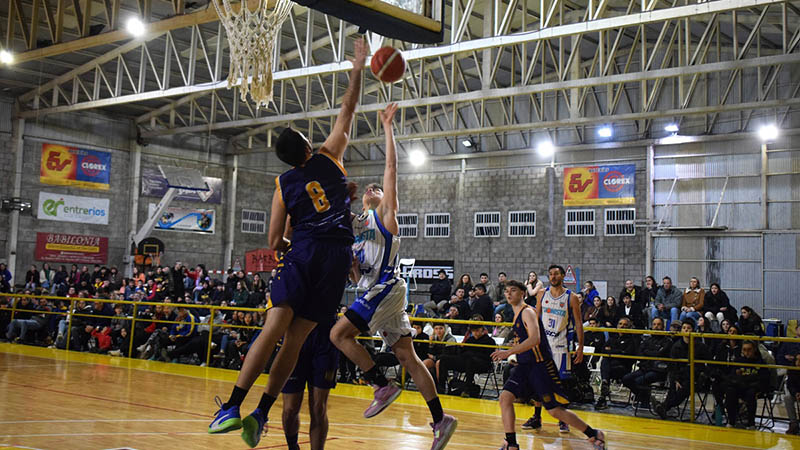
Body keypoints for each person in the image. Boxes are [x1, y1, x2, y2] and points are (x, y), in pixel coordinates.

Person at [208, 37, 367, 448]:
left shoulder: (282, 184)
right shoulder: (331, 158)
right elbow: (348, 109)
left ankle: (233, 406)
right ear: (308, 146)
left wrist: (292, 240)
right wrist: (357, 68)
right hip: (337, 258)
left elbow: (274, 239)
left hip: (305, 253)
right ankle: (262, 412)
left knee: (273, 328)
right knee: (294, 340)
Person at [328, 102, 457, 450]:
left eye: (379, 188)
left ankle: (381, 385)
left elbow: (390, 169)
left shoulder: (385, 217)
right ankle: (441, 419)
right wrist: (350, 267)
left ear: (386, 199)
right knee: (407, 357)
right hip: (375, 291)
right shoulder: (356, 229)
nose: (374, 187)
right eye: (369, 188)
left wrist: (387, 127)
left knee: (338, 334)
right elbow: (356, 273)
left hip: (387, 288)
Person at [492, 280, 606, 450]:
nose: (508, 293)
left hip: (540, 366)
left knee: (554, 411)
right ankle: (511, 443)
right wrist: (516, 353)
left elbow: (535, 339)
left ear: (522, 293)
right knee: (505, 398)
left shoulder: (527, 312)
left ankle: (594, 433)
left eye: (513, 290)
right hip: (525, 366)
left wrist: (509, 352)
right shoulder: (516, 314)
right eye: (507, 291)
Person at [523, 265, 584, 433]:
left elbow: (579, 323)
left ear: (563, 276)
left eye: (556, 274)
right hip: (543, 345)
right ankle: (537, 417)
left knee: (561, 385)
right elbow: (535, 319)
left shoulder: (571, 297)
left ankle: (563, 420)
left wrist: (580, 347)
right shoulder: (542, 294)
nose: (553, 277)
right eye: (550, 274)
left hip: (561, 346)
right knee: (538, 381)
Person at [281, 319, 339, 450]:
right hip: (295, 333)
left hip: (325, 338)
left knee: (318, 408)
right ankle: (292, 446)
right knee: (290, 409)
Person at [653, 319, 711, 419]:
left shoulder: (701, 347)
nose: (686, 330)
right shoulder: (676, 346)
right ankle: (663, 407)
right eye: (684, 328)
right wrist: (676, 379)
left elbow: (708, 363)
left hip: (695, 377)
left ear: (693, 330)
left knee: (685, 387)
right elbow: (673, 365)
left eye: (689, 328)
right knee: (673, 383)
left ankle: (663, 406)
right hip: (680, 375)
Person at [621, 317, 672, 407]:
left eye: (658, 324)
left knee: (639, 381)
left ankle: (644, 400)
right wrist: (653, 353)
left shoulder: (667, 341)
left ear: (663, 327)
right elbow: (640, 353)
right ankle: (645, 398)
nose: (656, 327)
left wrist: (647, 352)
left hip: (658, 371)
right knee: (626, 379)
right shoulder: (647, 340)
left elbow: (660, 354)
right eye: (654, 324)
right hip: (645, 368)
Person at [434, 322, 495, 396]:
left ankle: (467, 389)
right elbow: (462, 353)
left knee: (470, 361)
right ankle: (441, 388)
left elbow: (488, 357)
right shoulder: (470, 340)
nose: (475, 333)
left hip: (481, 364)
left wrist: (471, 355)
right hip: (466, 361)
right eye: (473, 331)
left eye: (477, 330)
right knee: (444, 359)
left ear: (482, 330)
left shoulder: (490, 341)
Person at [594, 317, 639, 409]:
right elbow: (604, 350)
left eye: (625, 325)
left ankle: (603, 395)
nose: (622, 326)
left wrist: (612, 351)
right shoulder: (613, 338)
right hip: (611, 367)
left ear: (629, 327)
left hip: (623, 367)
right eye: (620, 324)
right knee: (605, 361)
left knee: (606, 364)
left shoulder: (632, 340)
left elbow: (627, 353)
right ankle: (604, 386)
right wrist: (619, 351)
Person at [724, 341, 769, 429]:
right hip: (740, 386)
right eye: (744, 350)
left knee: (751, 393)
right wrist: (737, 375)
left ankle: (751, 423)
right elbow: (731, 377)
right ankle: (731, 421)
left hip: (753, 387)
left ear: (754, 350)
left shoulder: (760, 363)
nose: (747, 352)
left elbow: (764, 379)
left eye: (749, 350)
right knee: (730, 391)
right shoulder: (738, 361)